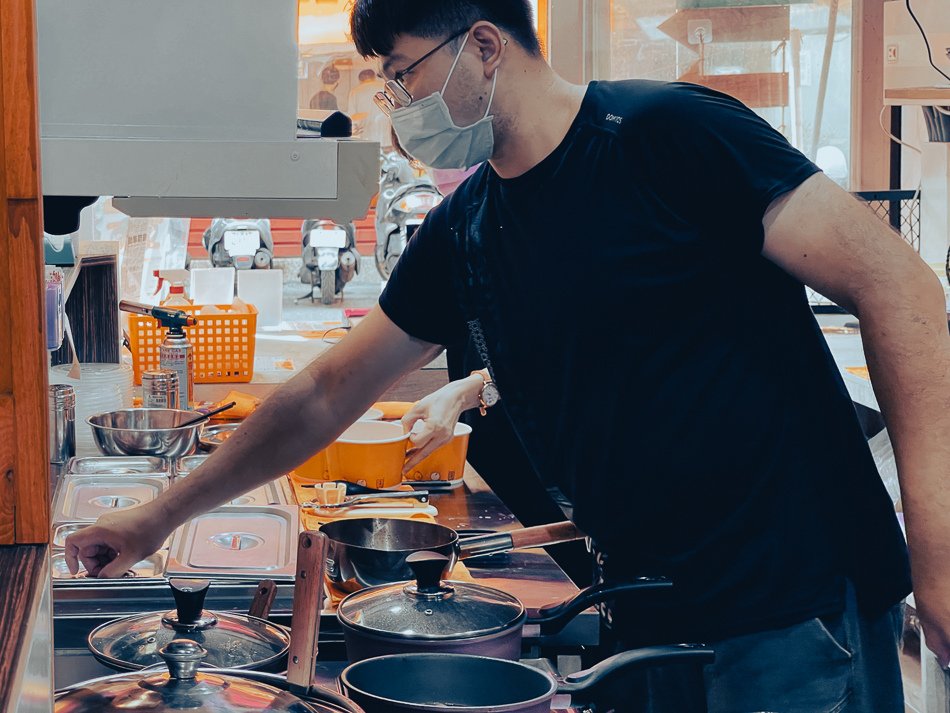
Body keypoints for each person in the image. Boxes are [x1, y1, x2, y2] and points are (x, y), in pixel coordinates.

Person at [67, 2, 950, 710]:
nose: (395, 103)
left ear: (483, 45)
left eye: (401, 75)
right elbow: (325, 391)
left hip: (790, 607)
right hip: (645, 603)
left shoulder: (667, 136)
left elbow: (902, 288)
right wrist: (157, 519)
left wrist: (941, 559)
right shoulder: (470, 226)